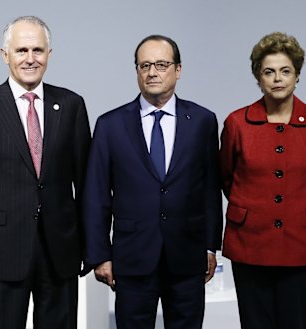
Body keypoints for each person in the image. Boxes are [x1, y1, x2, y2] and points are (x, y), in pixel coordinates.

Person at [0, 16, 90, 329]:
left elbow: (86, 186)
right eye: (22, 50)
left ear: (49, 54)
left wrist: (90, 247)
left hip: (61, 252)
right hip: (2, 252)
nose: (31, 58)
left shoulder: (71, 105)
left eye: (38, 50)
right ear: (5, 55)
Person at [83, 34, 223, 329]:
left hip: (186, 256)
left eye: (161, 64)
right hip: (132, 258)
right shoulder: (110, 125)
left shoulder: (202, 121)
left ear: (178, 69)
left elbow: (209, 189)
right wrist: (99, 255)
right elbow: (96, 196)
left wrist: (211, 246)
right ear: (136, 71)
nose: (152, 72)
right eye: (144, 65)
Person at [219, 32, 306, 329]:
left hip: (304, 242)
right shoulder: (237, 122)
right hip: (251, 241)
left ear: (297, 75)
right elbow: (226, 177)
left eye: (285, 71)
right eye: (268, 72)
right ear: (258, 78)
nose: (277, 79)